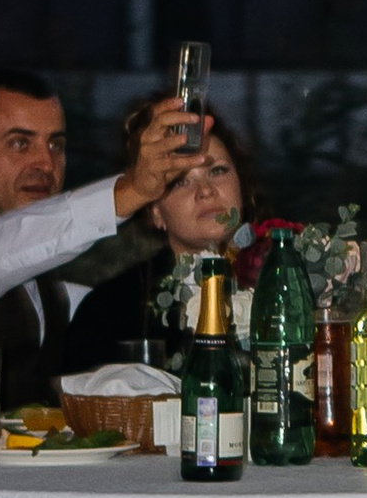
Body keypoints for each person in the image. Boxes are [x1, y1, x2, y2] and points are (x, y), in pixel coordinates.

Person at [0, 67, 220, 413]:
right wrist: (130, 191)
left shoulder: (47, 278)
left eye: (56, 144)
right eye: (19, 143)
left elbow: (106, 306)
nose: (45, 162)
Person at [63, 100, 255, 371]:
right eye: (180, 181)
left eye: (217, 171)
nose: (206, 190)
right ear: (155, 212)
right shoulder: (115, 309)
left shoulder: (285, 279)